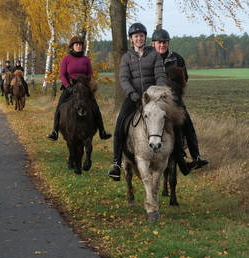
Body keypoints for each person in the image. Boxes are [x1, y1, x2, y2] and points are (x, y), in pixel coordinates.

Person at [108, 22, 187, 181]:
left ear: (145, 38)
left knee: (172, 122)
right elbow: (124, 78)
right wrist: (131, 93)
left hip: (152, 97)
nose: (139, 39)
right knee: (120, 124)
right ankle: (116, 163)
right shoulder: (126, 57)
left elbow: (160, 75)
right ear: (131, 39)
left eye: (141, 36)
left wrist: (158, 93)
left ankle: (178, 156)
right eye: (136, 36)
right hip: (134, 97)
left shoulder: (154, 55)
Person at [152, 28, 209, 172]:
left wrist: (176, 94)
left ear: (168, 43)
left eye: (164, 42)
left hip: (175, 101)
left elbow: (185, 79)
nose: (162, 45)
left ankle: (195, 156)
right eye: (159, 42)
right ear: (153, 44)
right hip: (155, 101)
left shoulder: (177, 58)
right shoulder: (149, 59)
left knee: (187, 123)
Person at [46, 36, 112, 142]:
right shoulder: (66, 59)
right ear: (72, 47)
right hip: (70, 86)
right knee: (59, 107)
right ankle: (54, 131)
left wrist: (88, 86)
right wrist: (68, 86)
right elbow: (62, 75)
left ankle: (102, 131)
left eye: (80, 45)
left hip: (84, 87)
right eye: (76, 45)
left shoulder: (85, 59)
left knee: (95, 107)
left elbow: (90, 74)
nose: (78, 46)